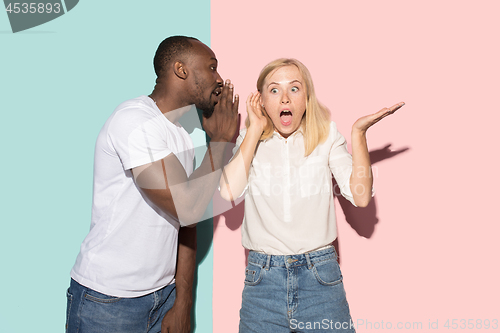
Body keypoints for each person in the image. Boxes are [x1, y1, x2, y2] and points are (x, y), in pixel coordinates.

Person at [66, 36, 239, 333]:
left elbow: (187, 225)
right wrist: (220, 142)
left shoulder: (179, 135)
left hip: (163, 297)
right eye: (212, 67)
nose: (219, 79)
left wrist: (182, 303)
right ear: (181, 69)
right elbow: (187, 208)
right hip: (108, 301)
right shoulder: (134, 121)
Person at [219, 58, 404, 332]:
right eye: (274, 90)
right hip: (262, 282)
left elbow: (361, 196)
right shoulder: (249, 139)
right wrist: (255, 129)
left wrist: (359, 134)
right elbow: (228, 191)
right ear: (260, 101)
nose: (284, 98)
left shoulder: (326, 135)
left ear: (307, 98)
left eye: (294, 89)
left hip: (320, 278)